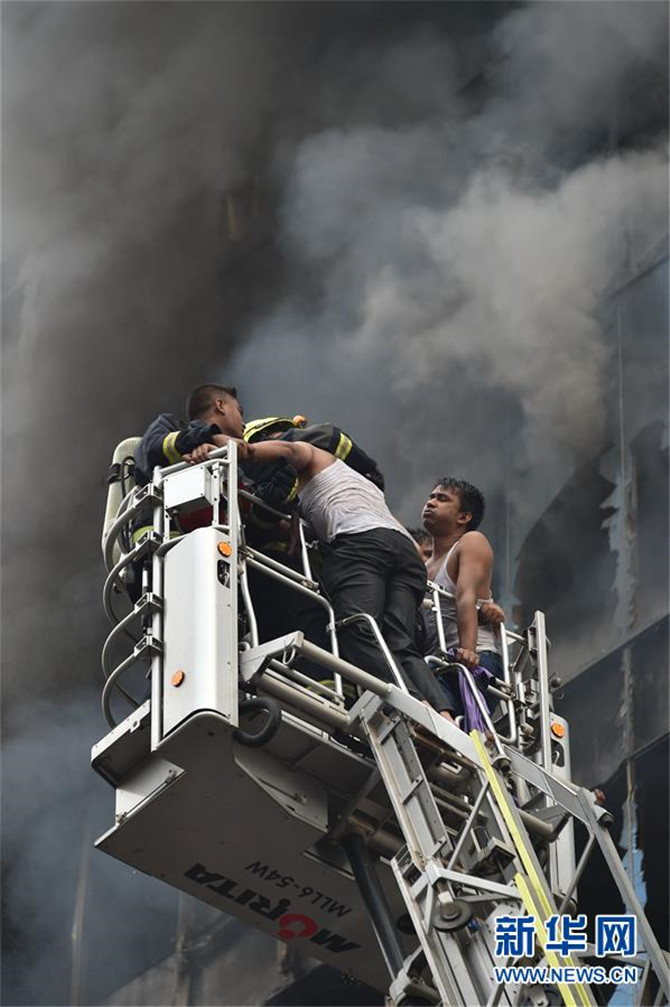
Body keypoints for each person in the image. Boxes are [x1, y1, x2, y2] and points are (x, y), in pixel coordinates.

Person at [196, 433, 454, 721]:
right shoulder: (355, 480)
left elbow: (291, 450)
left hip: (361, 542)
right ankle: (443, 713)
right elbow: (413, 545)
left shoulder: (313, 455)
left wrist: (247, 450)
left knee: (355, 626)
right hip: (406, 552)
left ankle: (414, 708)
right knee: (398, 640)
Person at [421, 477, 504, 715]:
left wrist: (467, 652)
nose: (431, 503)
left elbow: (465, 595)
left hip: (475, 659)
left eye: (442, 499)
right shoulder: (423, 568)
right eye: (431, 497)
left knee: (457, 729)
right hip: (438, 664)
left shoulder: (470, 542)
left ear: (464, 517)